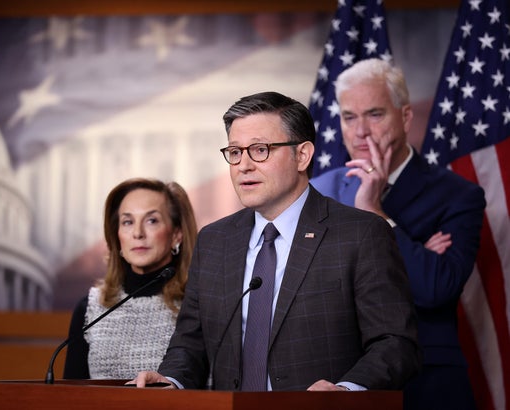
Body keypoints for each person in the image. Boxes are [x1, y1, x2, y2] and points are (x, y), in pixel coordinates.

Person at [130, 91, 420, 391]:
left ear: (302, 155)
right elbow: (190, 344)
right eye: (235, 152)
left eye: (259, 150)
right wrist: (170, 379)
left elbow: (395, 342)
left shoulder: (360, 233)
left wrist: (346, 391)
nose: (243, 165)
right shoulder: (215, 240)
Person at [310, 58, 486, 409]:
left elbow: (436, 288)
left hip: (427, 385)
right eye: (349, 117)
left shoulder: (457, 194)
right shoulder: (318, 193)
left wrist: (375, 212)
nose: (360, 131)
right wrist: (416, 251)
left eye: (374, 114)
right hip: (335, 380)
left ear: (405, 117)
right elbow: (311, 291)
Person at [63, 178, 197, 379]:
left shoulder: (198, 305)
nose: (137, 233)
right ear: (117, 235)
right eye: (127, 222)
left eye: (152, 220)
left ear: (176, 234)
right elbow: (71, 396)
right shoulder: (90, 309)